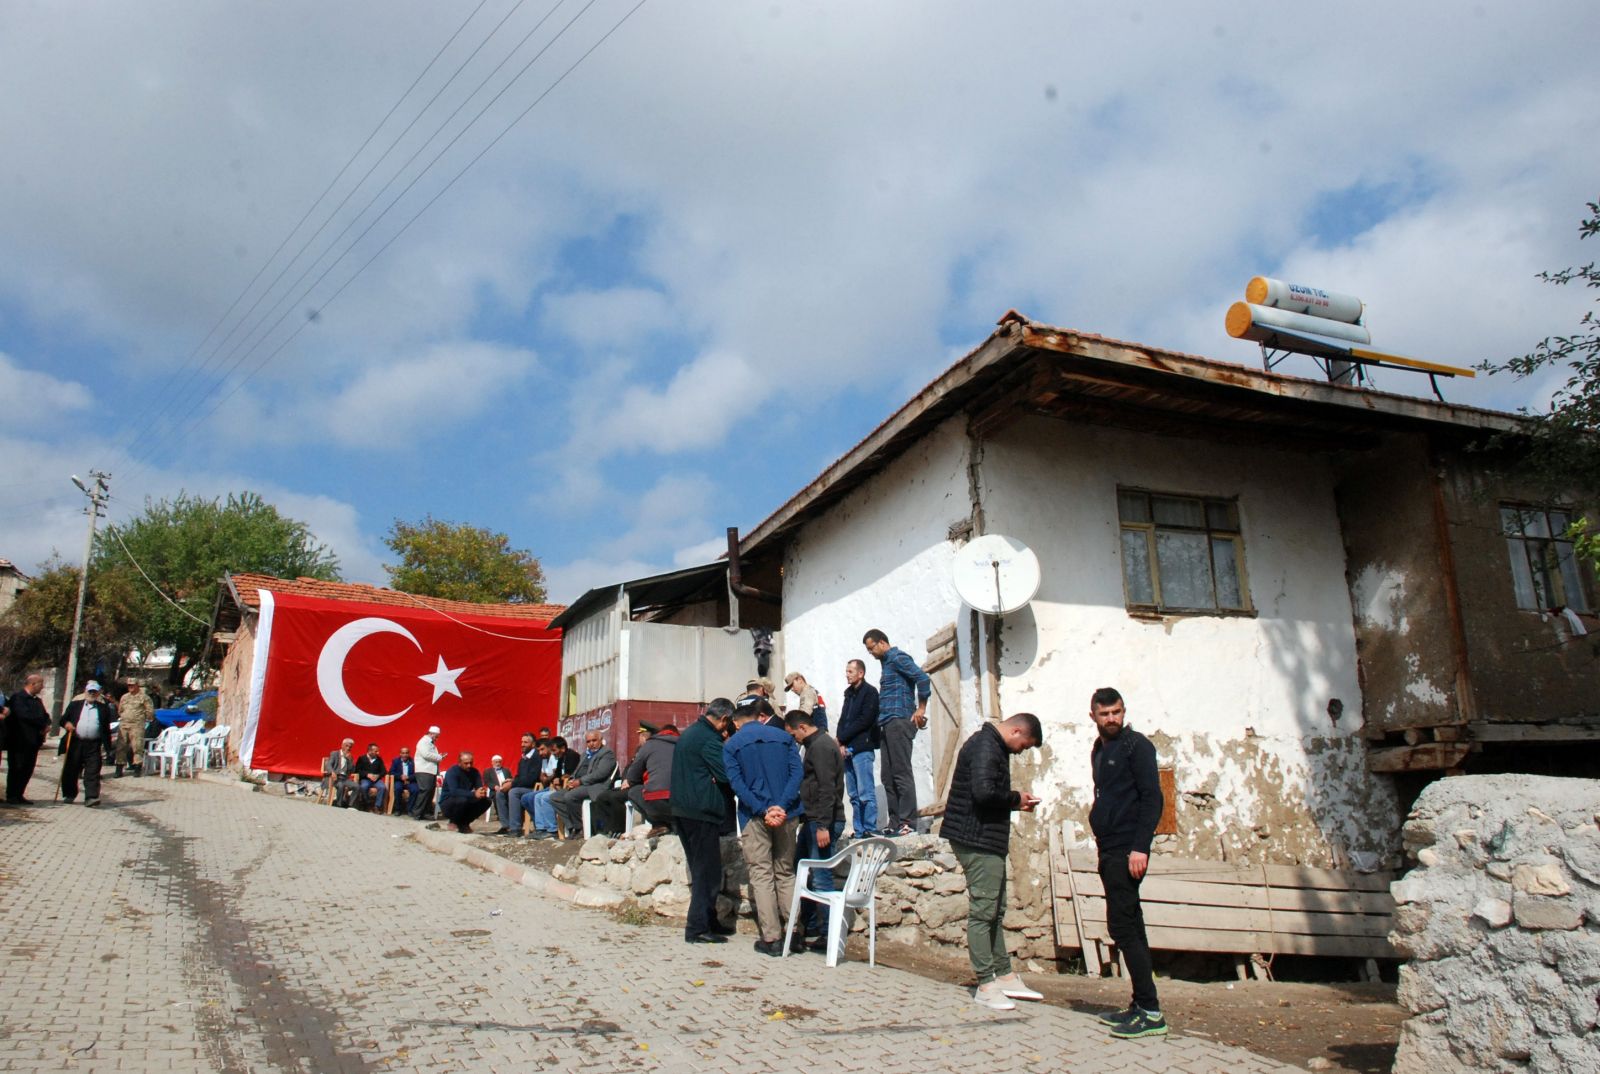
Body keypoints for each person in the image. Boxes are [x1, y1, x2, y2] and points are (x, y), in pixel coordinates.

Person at [942, 713, 1044, 1010]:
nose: (1021, 750)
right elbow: (984, 792)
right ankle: (986, 984)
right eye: (1024, 745)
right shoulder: (987, 746)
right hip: (976, 838)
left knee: (995, 910)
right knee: (983, 910)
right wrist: (1016, 799)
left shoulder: (992, 744)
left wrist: (1015, 801)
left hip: (986, 838)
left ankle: (1004, 975)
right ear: (1015, 731)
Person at [1088, 687, 1167, 1039]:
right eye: (1105, 714)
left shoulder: (1138, 746)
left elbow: (1153, 798)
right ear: (1094, 717)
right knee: (1131, 925)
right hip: (1109, 847)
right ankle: (1141, 1004)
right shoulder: (1099, 750)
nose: (1112, 719)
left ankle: (1151, 1012)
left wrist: (1140, 847)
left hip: (1127, 850)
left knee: (1122, 927)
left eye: (1116, 712)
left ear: (1124, 712)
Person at [724, 695, 803, 956]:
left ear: (737, 722)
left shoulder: (732, 745)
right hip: (787, 814)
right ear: (760, 715)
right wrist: (781, 805)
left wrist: (763, 809)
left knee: (761, 874)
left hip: (755, 816)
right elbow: (796, 774)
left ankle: (772, 938)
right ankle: (794, 932)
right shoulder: (784, 738)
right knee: (785, 872)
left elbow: (737, 785)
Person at [670, 699, 736, 944]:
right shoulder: (709, 739)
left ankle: (709, 920)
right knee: (706, 872)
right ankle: (697, 928)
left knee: (705, 868)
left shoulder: (691, 733)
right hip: (701, 811)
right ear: (724, 719)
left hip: (684, 809)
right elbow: (725, 773)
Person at [785, 710, 844, 953]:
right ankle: (808, 926)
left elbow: (826, 787)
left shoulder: (820, 747)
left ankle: (829, 934)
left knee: (820, 878)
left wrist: (822, 825)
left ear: (801, 727)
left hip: (823, 821)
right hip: (812, 820)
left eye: (793, 734)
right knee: (802, 871)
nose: (794, 739)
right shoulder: (815, 744)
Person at [863, 628, 930, 836]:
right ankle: (894, 822)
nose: (871, 653)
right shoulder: (886, 665)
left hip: (899, 720)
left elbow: (923, 679)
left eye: (872, 648)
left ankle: (908, 821)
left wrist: (921, 709)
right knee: (888, 776)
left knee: (901, 772)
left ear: (882, 643)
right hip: (886, 723)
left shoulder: (898, 658)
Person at [835, 659, 880, 838]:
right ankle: (859, 830)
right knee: (853, 794)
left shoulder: (870, 693)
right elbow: (843, 719)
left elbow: (865, 720)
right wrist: (840, 742)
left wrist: (842, 737)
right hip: (847, 749)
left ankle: (869, 827)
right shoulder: (849, 694)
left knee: (865, 792)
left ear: (860, 673)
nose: (847, 674)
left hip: (862, 747)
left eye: (850, 671)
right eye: (846, 671)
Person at [551, 731, 617, 839]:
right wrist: (571, 780)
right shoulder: (585, 754)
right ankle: (572, 826)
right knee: (555, 797)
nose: (591, 744)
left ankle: (580, 828)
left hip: (596, 786)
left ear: (601, 740)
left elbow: (600, 774)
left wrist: (580, 781)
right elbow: (576, 771)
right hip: (581, 785)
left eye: (594, 740)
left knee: (570, 796)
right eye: (588, 741)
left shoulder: (607, 753)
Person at [60, 681, 116, 806]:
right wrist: (67, 724)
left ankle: (91, 797)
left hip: (93, 744)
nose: (91, 693)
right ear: (85, 691)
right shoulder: (75, 705)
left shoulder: (103, 709)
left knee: (93, 770)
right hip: (76, 742)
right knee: (71, 769)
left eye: (94, 692)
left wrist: (108, 747)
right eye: (90, 691)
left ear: (98, 693)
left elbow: (106, 728)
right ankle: (69, 794)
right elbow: (63, 720)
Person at [3, 674, 50, 805]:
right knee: (17, 768)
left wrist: (47, 724)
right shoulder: (18, 698)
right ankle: (11, 795)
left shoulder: (37, 701)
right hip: (19, 741)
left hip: (34, 741)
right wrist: (41, 724)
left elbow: (45, 715)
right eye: (41, 684)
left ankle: (19, 794)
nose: (42, 687)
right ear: (33, 684)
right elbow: (24, 716)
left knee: (28, 769)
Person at [437, 750, 491, 833]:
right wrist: (474, 794)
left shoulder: (474, 772)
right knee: (462, 800)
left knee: (486, 801)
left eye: (471, 763)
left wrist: (482, 792)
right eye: (466, 763)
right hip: (448, 802)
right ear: (459, 762)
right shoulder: (452, 771)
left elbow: (479, 787)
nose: (469, 765)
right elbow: (454, 791)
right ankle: (453, 821)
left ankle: (464, 823)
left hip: (466, 799)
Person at [502, 733, 541, 835]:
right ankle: (506, 826)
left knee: (513, 792)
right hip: (523, 786)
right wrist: (511, 780)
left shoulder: (536, 757)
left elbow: (531, 779)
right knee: (499, 793)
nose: (522, 744)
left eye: (525, 742)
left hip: (533, 788)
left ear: (533, 745)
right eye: (522, 742)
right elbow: (520, 776)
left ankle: (516, 828)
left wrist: (513, 784)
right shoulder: (523, 758)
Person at [114, 681, 152, 777]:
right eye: (129, 685)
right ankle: (119, 768)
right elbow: (120, 710)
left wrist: (143, 719)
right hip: (124, 725)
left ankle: (137, 767)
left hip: (137, 725)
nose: (130, 687)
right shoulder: (124, 697)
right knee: (120, 746)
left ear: (137, 685)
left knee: (137, 746)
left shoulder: (144, 697)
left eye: (132, 685)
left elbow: (150, 712)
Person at [411, 726, 445, 820]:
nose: (437, 738)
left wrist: (439, 756)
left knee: (430, 792)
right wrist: (439, 757)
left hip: (430, 770)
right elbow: (426, 754)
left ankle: (425, 812)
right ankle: (417, 813)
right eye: (436, 736)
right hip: (424, 770)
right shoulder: (423, 742)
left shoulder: (430, 743)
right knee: (425, 791)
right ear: (432, 734)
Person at [354, 742, 388, 812]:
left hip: (376, 780)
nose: (378, 753)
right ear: (370, 751)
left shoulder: (379, 759)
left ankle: (377, 806)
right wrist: (367, 774)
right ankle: (367, 803)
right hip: (365, 779)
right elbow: (357, 770)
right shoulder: (362, 758)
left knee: (382, 787)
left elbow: (384, 771)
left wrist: (378, 776)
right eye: (376, 751)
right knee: (364, 787)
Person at [484, 754, 514, 832]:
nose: (498, 763)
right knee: (498, 798)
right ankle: (505, 824)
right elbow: (487, 782)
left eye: (499, 762)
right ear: (492, 762)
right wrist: (494, 786)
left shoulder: (506, 770)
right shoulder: (488, 771)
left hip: (507, 790)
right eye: (496, 762)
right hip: (495, 791)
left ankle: (512, 822)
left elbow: (510, 778)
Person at [327, 738, 359, 807]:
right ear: (342, 745)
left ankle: (350, 804)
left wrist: (350, 761)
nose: (348, 748)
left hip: (345, 778)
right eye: (346, 746)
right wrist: (332, 772)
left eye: (350, 747)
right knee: (341, 785)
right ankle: (339, 804)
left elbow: (352, 770)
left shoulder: (350, 757)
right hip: (336, 777)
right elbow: (329, 765)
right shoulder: (335, 753)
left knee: (357, 786)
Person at [389, 746, 418, 816]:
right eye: (403, 753)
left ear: (409, 754)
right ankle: (398, 809)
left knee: (415, 790)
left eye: (406, 753)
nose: (405, 755)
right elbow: (391, 772)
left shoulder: (413, 762)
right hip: (399, 780)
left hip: (410, 781)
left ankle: (409, 809)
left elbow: (417, 774)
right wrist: (400, 776)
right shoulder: (396, 761)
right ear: (400, 754)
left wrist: (408, 777)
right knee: (398, 789)